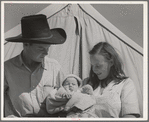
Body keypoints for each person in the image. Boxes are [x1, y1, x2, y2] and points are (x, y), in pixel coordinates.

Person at [4, 14, 67, 117]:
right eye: (41, 48)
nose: (46, 53)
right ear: (26, 44)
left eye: (48, 48)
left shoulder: (54, 67)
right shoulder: (6, 69)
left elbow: (68, 94)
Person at [83, 42, 140, 118]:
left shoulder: (125, 84)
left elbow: (130, 116)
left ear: (111, 62)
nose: (94, 70)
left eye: (98, 65)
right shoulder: (87, 83)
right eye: (92, 65)